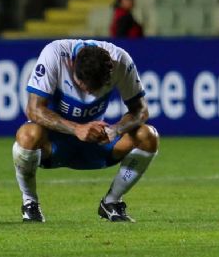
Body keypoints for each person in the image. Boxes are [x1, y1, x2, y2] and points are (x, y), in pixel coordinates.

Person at [13, 39, 158, 222]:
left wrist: (115, 130)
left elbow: (141, 110)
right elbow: (34, 109)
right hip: (55, 144)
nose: (89, 93)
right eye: (83, 86)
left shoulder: (120, 60)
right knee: (27, 135)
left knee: (148, 136)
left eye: (96, 89)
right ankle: (30, 203)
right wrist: (77, 129)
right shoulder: (55, 54)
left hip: (96, 142)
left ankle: (111, 202)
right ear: (71, 66)